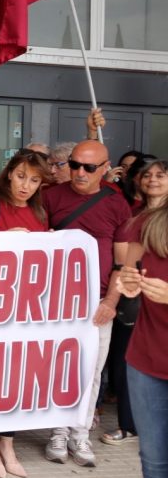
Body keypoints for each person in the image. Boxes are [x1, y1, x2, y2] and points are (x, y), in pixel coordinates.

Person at [42, 139, 133, 467]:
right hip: (55, 301)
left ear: (105, 168)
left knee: (91, 370)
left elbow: (124, 261)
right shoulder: (50, 197)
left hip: (98, 300)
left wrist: (111, 301)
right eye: (74, 164)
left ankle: (79, 433)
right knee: (58, 367)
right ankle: (57, 431)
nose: (79, 172)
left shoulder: (116, 203)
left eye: (89, 167)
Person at [0, 150, 51, 478]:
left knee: (18, 377)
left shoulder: (40, 213)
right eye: (20, 176)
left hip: (26, 308)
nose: (25, 185)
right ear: (8, 173)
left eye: (33, 180)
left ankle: (8, 441)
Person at [116, 190, 168, 478]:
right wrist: (128, 286)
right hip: (148, 359)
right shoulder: (148, 224)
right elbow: (129, 276)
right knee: (154, 459)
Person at [102, 159, 167, 448]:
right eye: (147, 175)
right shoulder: (137, 219)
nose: (153, 179)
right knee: (153, 457)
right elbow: (129, 270)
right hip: (147, 329)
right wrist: (126, 285)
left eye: (161, 175)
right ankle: (129, 425)